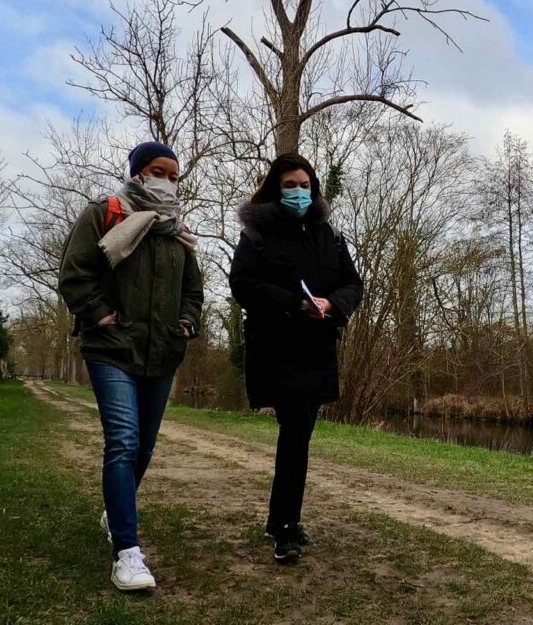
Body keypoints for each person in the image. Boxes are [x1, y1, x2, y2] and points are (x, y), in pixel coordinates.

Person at [58, 141, 203, 590]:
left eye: (175, 176)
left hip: (162, 352)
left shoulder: (177, 232)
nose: (168, 182)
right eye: (159, 172)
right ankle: (127, 552)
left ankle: (116, 509)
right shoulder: (105, 213)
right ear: (139, 173)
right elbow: (74, 273)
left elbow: (193, 291)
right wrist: (100, 315)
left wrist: (186, 324)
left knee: (144, 448)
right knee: (123, 441)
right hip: (111, 348)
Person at [229, 152, 363, 563]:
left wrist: (331, 303)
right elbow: (242, 284)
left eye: (305, 185)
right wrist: (294, 302)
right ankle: (286, 525)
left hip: (317, 347)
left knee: (300, 433)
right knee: (295, 430)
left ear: (314, 189)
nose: (299, 192)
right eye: (290, 185)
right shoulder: (257, 234)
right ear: (276, 189)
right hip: (276, 346)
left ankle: (280, 519)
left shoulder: (330, 236)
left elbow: (353, 283)